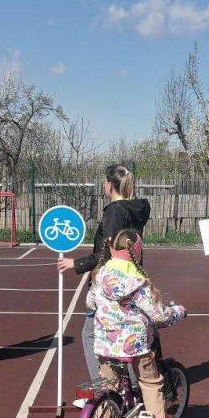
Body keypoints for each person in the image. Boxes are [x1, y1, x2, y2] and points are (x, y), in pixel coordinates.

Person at [89, 229, 186, 418]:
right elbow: (158, 315)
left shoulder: (101, 275)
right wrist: (178, 312)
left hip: (105, 343)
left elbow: (90, 301)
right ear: (137, 252)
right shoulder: (138, 282)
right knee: (151, 382)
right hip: (135, 345)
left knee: (109, 387)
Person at [57, 163, 151, 395]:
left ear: (109, 185)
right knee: (128, 335)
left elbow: (106, 252)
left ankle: (106, 392)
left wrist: (76, 264)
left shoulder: (114, 212)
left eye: (104, 182)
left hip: (111, 283)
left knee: (91, 334)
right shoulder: (138, 208)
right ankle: (136, 388)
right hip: (132, 277)